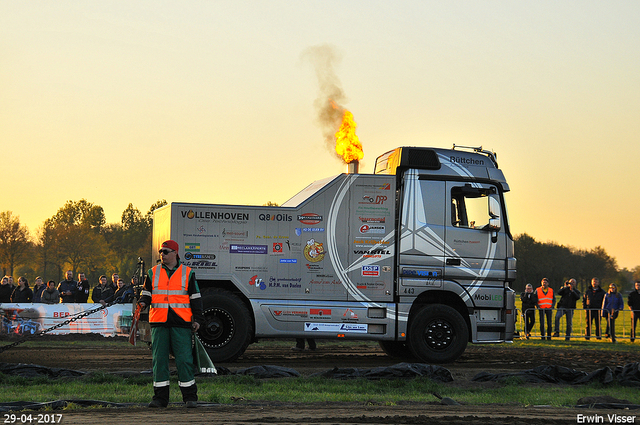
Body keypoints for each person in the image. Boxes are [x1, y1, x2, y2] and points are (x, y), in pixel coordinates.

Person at [138, 240, 204, 408]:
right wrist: (143, 302)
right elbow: (146, 293)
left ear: (175, 253)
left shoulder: (187, 273)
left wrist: (197, 319)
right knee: (159, 361)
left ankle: (190, 398)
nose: (162, 254)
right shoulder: (152, 272)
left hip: (181, 323)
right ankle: (160, 399)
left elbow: (195, 299)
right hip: (159, 322)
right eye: (161, 251)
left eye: (166, 251)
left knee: (184, 360)